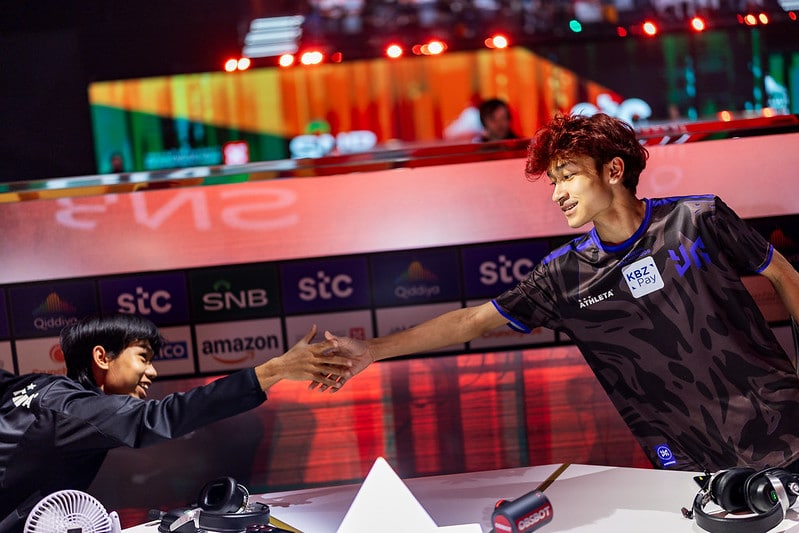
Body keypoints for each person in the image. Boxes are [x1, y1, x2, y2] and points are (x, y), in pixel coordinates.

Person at [320, 112, 799, 474]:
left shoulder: (698, 219)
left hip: (783, 425)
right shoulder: (563, 275)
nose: (556, 194)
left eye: (568, 175)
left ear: (613, 170)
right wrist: (371, 350)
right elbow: (471, 322)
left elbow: (785, 275)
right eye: (553, 181)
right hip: (691, 461)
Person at [0, 314, 352, 532]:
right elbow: (162, 416)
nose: (152, 372)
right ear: (102, 357)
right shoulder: (78, 409)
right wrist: (273, 371)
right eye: (143, 357)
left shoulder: (38, 386)